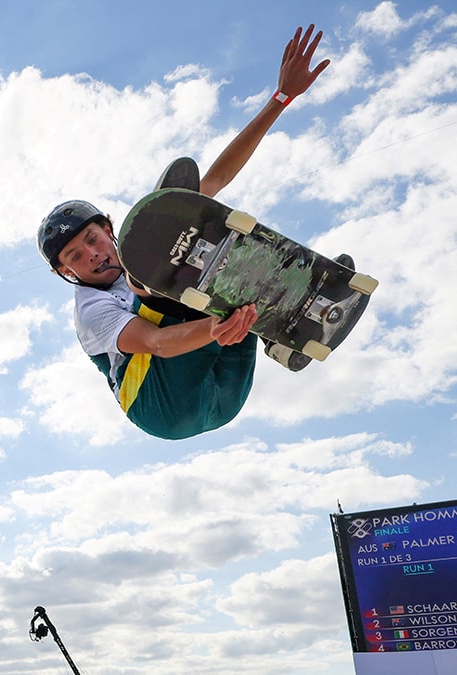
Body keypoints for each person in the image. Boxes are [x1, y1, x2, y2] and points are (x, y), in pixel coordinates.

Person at [38, 24, 331, 440]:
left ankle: (282, 331)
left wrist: (281, 99)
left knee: (204, 238)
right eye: (75, 258)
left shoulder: (154, 240)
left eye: (91, 239)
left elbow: (217, 178)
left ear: (108, 228)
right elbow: (156, 343)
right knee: (158, 280)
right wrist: (210, 328)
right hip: (160, 405)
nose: (92, 255)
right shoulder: (89, 311)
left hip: (224, 390)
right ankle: (158, 287)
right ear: (67, 273)